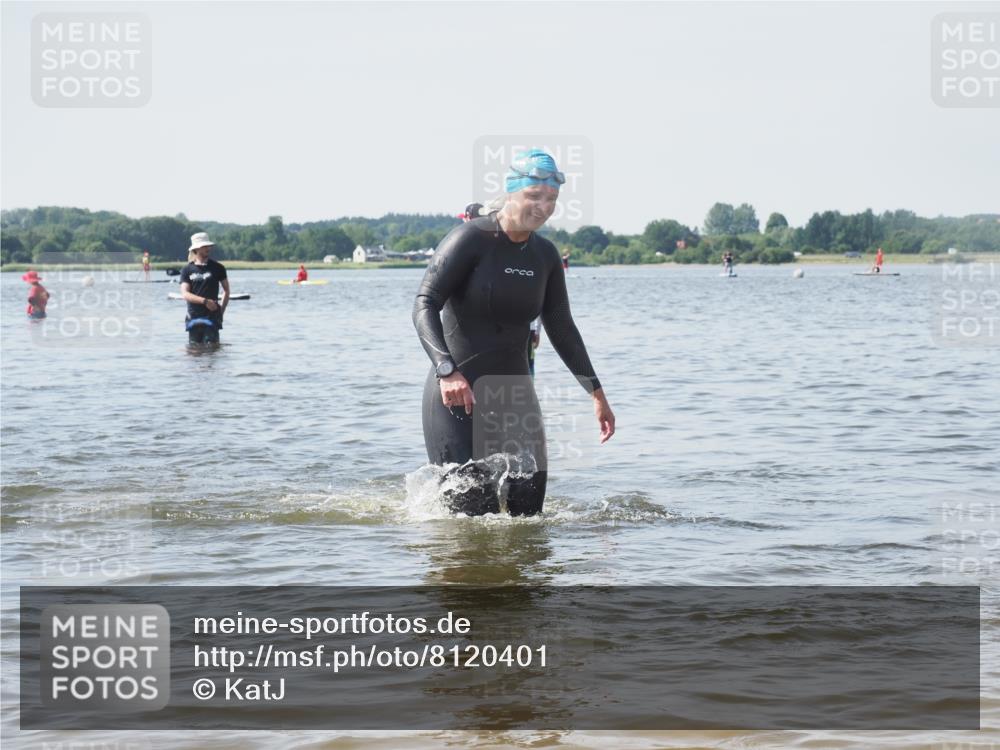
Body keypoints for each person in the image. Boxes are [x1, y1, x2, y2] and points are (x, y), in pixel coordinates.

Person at [413, 149, 615, 517]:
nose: (543, 206)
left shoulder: (546, 256)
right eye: (534, 196)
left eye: (551, 199)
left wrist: (596, 394)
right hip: (459, 396)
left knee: (529, 516)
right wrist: (446, 370)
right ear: (511, 192)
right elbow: (424, 303)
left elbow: (562, 327)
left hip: (515, 398)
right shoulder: (470, 240)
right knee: (475, 513)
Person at [179, 232, 230, 344]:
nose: (208, 248)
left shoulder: (218, 267)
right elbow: (185, 294)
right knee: (194, 353)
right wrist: (205, 301)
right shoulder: (187, 270)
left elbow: (226, 290)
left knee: (212, 352)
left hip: (212, 317)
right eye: (204, 246)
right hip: (193, 317)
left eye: (209, 245)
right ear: (196, 249)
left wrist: (221, 311)